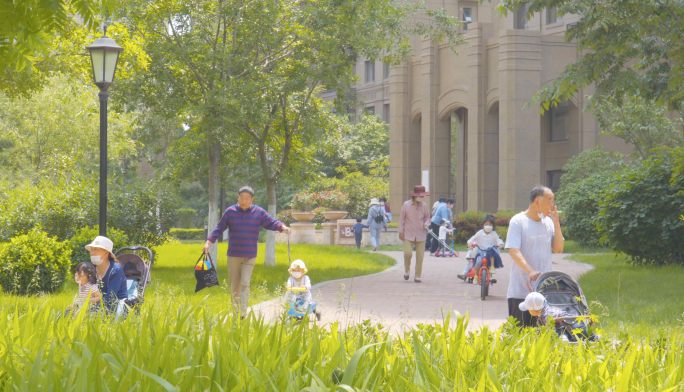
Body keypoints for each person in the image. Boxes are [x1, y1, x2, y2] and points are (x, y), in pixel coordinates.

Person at [203, 186, 292, 316]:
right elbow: (219, 229)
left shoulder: (258, 212)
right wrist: (208, 242)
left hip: (250, 255)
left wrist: (283, 227)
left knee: (245, 283)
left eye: (247, 198)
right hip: (234, 255)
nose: (244, 201)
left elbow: (271, 222)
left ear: (252, 199)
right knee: (235, 286)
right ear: (238, 198)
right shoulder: (230, 212)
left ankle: (243, 314)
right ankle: (236, 312)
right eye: (242, 198)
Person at [505, 185, 564, 327]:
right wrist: (530, 271)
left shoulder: (548, 222)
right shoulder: (518, 221)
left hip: (544, 292)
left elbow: (558, 249)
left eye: (553, 200)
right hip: (521, 292)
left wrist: (556, 224)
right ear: (537, 201)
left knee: (543, 337)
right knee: (521, 336)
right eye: (549, 200)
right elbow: (513, 250)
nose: (552, 204)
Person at [519, 292, 591, 342]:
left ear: (535, 310)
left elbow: (549, 328)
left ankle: (563, 337)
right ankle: (593, 337)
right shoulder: (547, 307)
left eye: (529, 310)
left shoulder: (546, 315)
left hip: (566, 325)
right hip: (573, 320)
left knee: (557, 329)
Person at [85, 236, 128, 315]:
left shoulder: (115, 270)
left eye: (96, 249)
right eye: (92, 249)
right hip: (96, 301)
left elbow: (110, 297)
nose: (92, 252)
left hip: (115, 303)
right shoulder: (92, 268)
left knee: (93, 316)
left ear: (106, 252)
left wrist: (90, 309)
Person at [398, 185, 431, 283]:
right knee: (408, 253)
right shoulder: (406, 205)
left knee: (420, 256)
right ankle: (407, 270)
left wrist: (426, 223)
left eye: (422, 196)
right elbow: (401, 219)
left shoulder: (424, 206)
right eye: (420, 196)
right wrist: (400, 231)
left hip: (421, 234)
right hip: (408, 233)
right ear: (415, 196)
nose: (421, 198)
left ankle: (417, 276)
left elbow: (427, 218)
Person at [459, 215, 504, 284]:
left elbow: (498, 240)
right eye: (486, 224)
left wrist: (500, 244)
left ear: (493, 226)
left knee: (492, 253)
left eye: (490, 225)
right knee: (478, 262)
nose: (488, 226)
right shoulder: (480, 233)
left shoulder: (494, 234)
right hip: (480, 251)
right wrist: (470, 242)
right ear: (483, 225)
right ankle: (476, 275)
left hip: (490, 251)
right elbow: (473, 238)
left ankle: (492, 267)